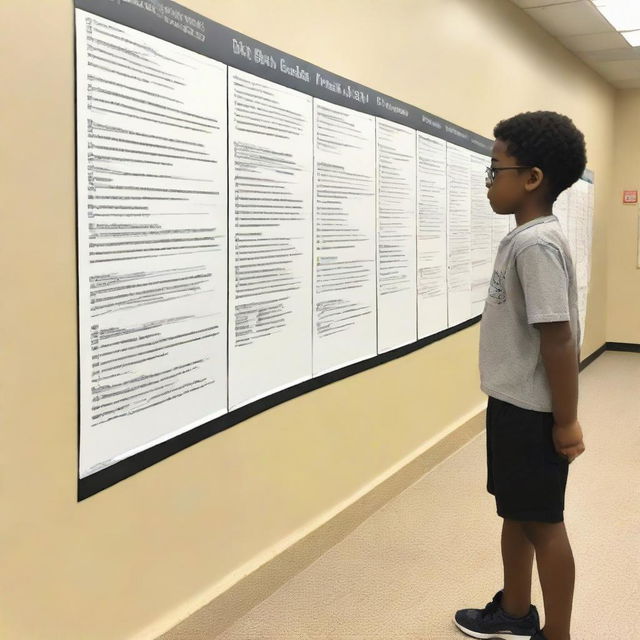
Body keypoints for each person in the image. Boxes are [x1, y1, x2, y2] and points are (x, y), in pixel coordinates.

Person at [453, 111, 587, 640]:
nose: (490, 181)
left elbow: (558, 338)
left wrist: (567, 422)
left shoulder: (536, 245)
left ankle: (557, 634)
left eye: (495, 169)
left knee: (544, 526)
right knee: (516, 513)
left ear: (531, 178)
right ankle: (513, 611)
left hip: (534, 414)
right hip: (513, 405)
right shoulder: (524, 239)